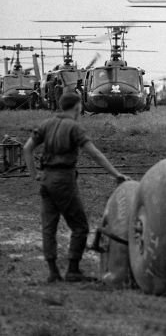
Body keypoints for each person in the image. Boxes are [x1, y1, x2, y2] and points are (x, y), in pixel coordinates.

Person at [22, 92, 129, 283]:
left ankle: (53, 272)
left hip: (46, 179)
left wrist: (34, 174)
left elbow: (27, 148)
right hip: (64, 180)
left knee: (49, 227)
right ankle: (73, 270)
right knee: (80, 226)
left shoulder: (46, 124)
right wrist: (116, 174)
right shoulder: (74, 127)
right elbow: (94, 154)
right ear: (77, 107)